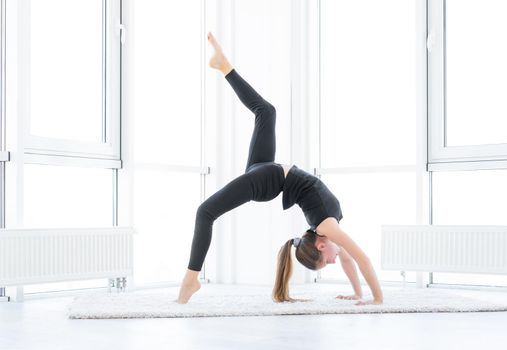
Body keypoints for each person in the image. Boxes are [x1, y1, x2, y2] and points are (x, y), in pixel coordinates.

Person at [176, 32, 383, 306]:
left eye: (326, 262)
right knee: (267, 112)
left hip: (269, 179)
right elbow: (354, 258)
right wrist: (370, 296)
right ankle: (224, 65)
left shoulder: (326, 227)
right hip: (267, 171)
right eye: (328, 261)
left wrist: (371, 296)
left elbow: (354, 258)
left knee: (205, 212)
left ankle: (191, 279)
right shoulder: (328, 228)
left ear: (319, 245)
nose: (334, 260)